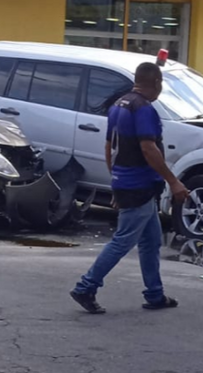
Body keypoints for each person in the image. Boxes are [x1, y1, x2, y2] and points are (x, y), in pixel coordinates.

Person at [70, 62, 189, 314]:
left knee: (150, 241)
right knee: (122, 241)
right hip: (140, 185)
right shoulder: (143, 109)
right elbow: (148, 148)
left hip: (128, 183)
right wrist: (174, 181)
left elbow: (109, 148)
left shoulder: (119, 105)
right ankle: (86, 287)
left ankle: (155, 294)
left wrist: (116, 182)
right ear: (157, 83)